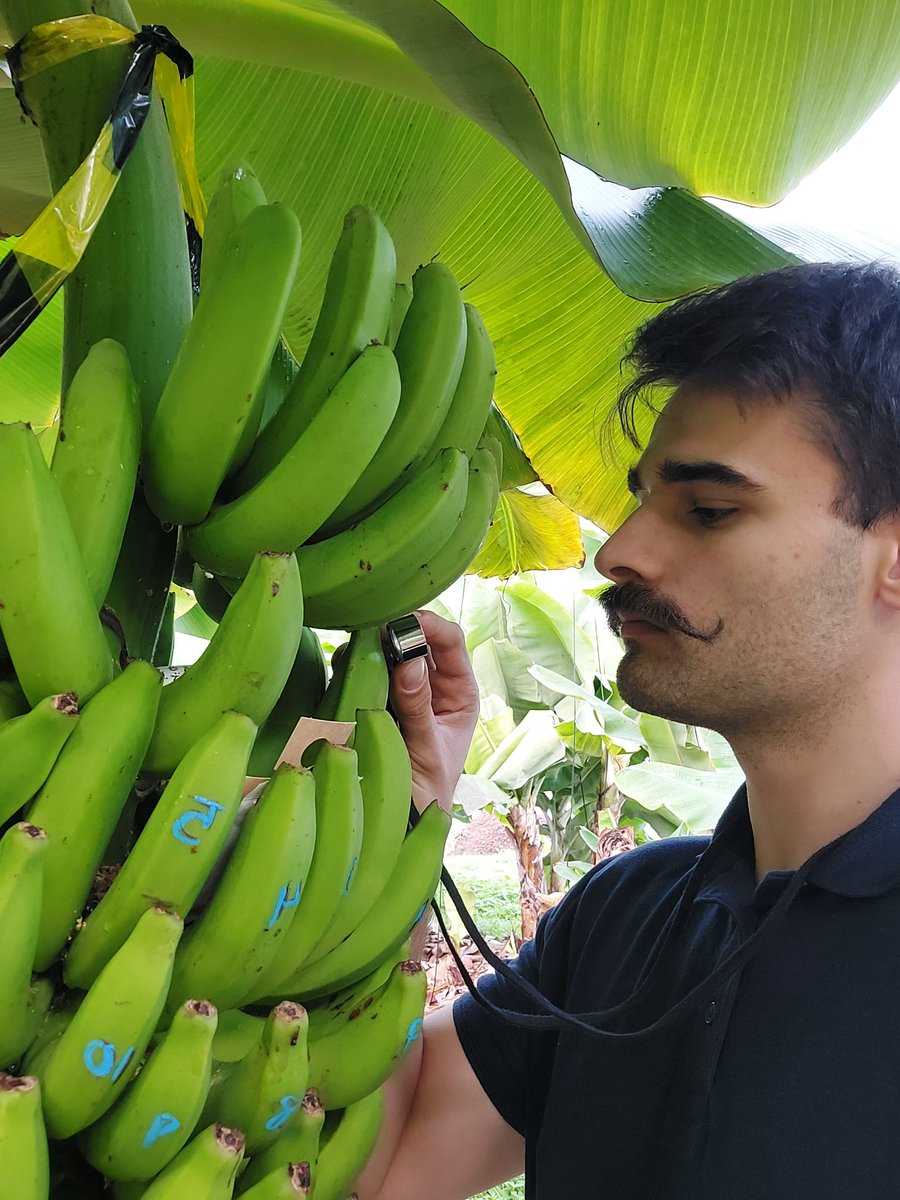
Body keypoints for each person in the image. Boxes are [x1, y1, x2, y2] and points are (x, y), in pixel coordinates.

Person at [358, 261, 900, 1200]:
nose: (618, 552)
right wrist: (399, 834)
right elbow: (393, 1166)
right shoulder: (631, 912)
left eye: (709, 509)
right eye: (643, 498)